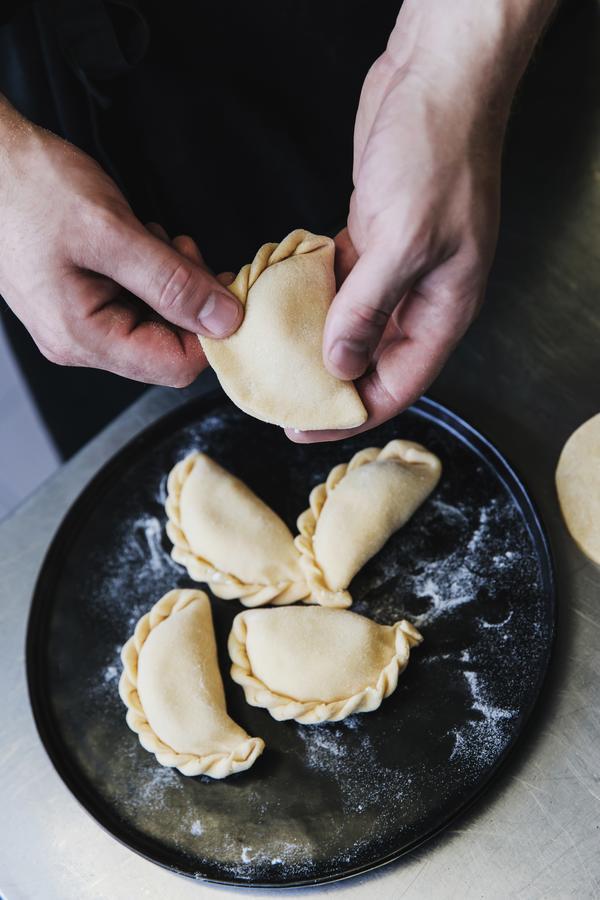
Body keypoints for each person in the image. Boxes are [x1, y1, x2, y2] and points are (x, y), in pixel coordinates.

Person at [0, 0, 556, 452]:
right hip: (34, 155)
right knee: (129, 442)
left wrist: (447, 66)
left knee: (507, 363)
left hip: (375, 54)